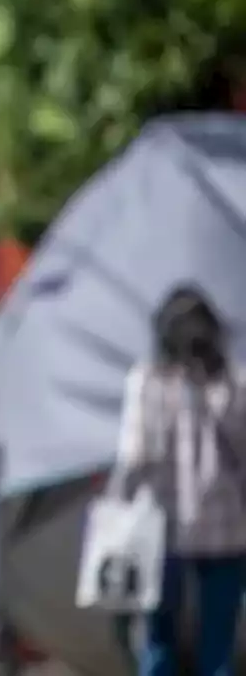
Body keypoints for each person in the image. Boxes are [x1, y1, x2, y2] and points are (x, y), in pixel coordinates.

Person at [112, 286, 247, 676]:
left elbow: (134, 457)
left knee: (158, 640)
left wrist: (117, 504)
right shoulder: (235, 383)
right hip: (227, 529)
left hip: (163, 529)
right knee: (218, 645)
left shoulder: (149, 381)